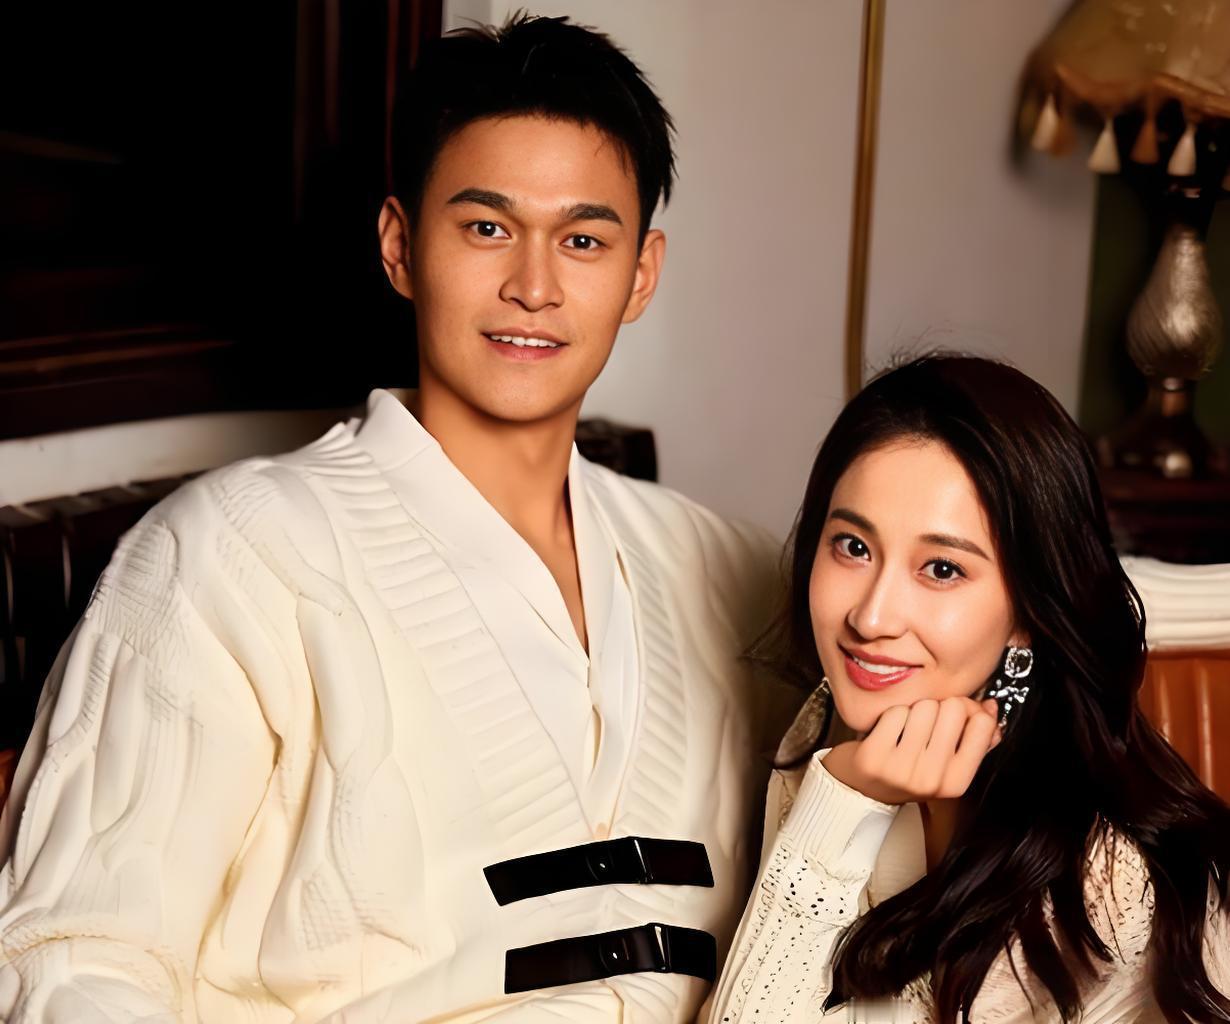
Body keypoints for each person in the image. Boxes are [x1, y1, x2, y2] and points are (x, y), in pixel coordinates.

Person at [0, 15, 790, 1022]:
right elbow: (72, 959)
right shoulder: (223, 557)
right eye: (487, 228)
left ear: (641, 273)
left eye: (583, 240)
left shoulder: (730, 568)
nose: (534, 287)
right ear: (400, 245)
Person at [708, 354, 1230, 1023]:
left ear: (1028, 612)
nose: (871, 617)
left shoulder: (1107, 880)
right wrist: (841, 802)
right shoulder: (825, 735)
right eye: (853, 547)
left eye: (942, 569)